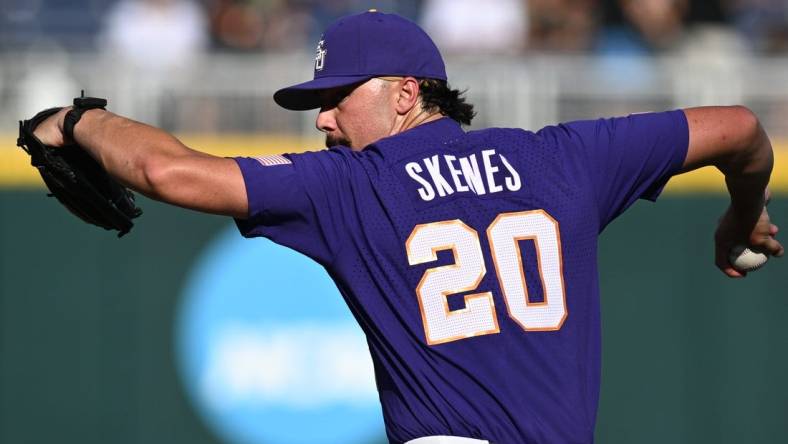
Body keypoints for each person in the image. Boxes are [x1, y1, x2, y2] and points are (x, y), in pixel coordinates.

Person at [32, 10, 783, 444]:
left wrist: (78, 119)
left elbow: (171, 172)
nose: (323, 118)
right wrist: (741, 217)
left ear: (404, 94)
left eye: (335, 97)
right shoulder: (566, 159)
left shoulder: (353, 184)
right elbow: (742, 129)